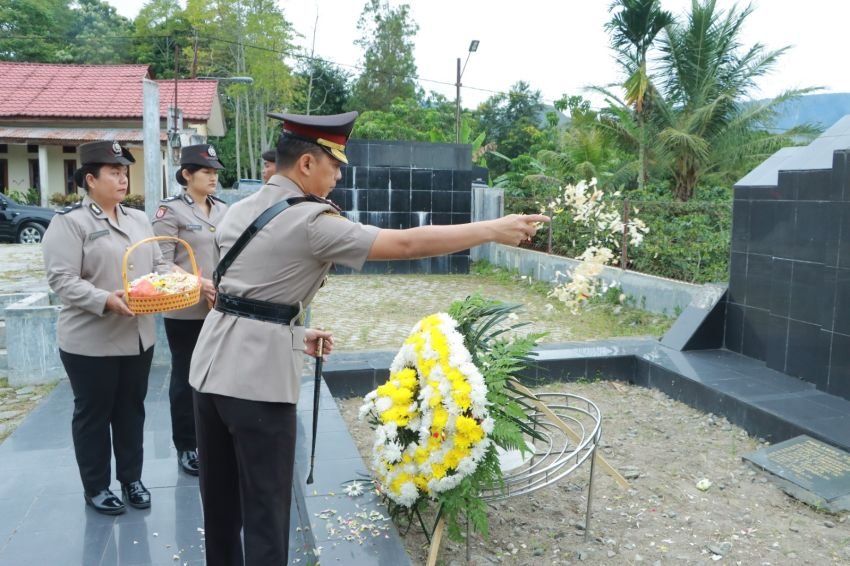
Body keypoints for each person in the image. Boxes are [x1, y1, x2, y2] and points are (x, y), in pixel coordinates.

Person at [188, 111, 548, 565]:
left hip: (208, 370)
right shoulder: (311, 221)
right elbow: (406, 244)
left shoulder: (238, 209)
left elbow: (243, 295)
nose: (339, 175)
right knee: (265, 512)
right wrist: (492, 229)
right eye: (334, 164)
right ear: (306, 164)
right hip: (258, 383)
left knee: (220, 508)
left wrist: (296, 333)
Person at [42, 140, 171, 515]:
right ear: (90, 179)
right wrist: (104, 299)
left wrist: (177, 281)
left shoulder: (139, 220)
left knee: (131, 411)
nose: (123, 179)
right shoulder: (70, 223)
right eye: (114, 172)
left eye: (125, 172)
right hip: (90, 341)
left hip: (138, 337)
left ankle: (132, 479)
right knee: (94, 415)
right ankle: (96, 486)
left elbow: (158, 264)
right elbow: (62, 279)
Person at [152, 144, 225, 476]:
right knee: (185, 377)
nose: (213, 177)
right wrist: (199, 283)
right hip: (186, 311)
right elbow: (161, 262)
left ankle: (213, 437)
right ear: (186, 174)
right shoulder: (171, 211)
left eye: (215, 172)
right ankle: (186, 445)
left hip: (220, 308)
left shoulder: (223, 209)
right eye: (206, 172)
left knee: (218, 375)